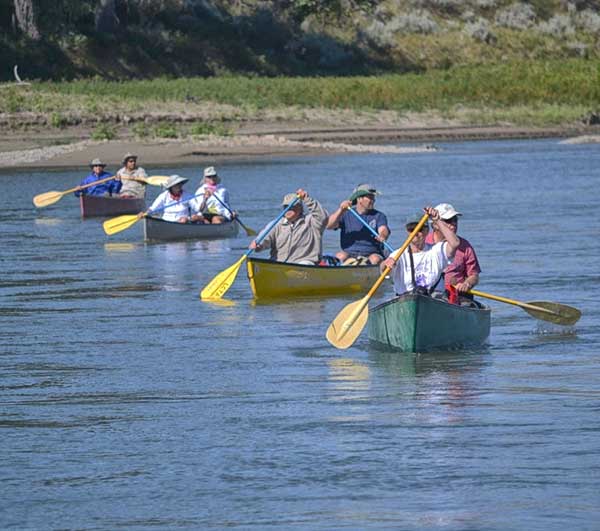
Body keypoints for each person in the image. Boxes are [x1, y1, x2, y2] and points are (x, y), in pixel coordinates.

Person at [383, 206, 459, 296]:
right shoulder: (398, 254)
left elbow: (455, 243)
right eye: (411, 229)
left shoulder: (436, 251)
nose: (415, 233)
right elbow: (382, 269)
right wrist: (385, 263)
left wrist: (437, 220)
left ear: (427, 231)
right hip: (405, 300)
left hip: (434, 300)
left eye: (419, 229)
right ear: (407, 232)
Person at [249, 189, 328, 265]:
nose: (288, 209)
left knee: (304, 263)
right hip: (280, 265)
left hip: (305, 263)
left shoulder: (311, 222)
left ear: (300, 208)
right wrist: (258, 244)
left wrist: (307, 199)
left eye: (292, 207)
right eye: (286, 206)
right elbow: (265, 238)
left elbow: (323, 217)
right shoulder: (276, 224)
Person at [326, 183, 390, 265]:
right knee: (340, 256)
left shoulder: (379, 216)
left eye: (373, 198)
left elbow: (383, 229)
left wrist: (383, 236)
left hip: (372, 253)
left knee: (375, 259)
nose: (373, 200)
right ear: (359, 199)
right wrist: (341, 210)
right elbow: (329, 225)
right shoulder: (346, 214)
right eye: (370, 198)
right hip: (349, 253)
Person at [430, 203, 481, 296]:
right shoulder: (424, 243)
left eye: (455, 220)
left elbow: (474, 275)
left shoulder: (465, 246)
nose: (453, 224)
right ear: (435, 225)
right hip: (428, 294)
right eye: (448, 220)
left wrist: (467, 284)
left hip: (457, 296)